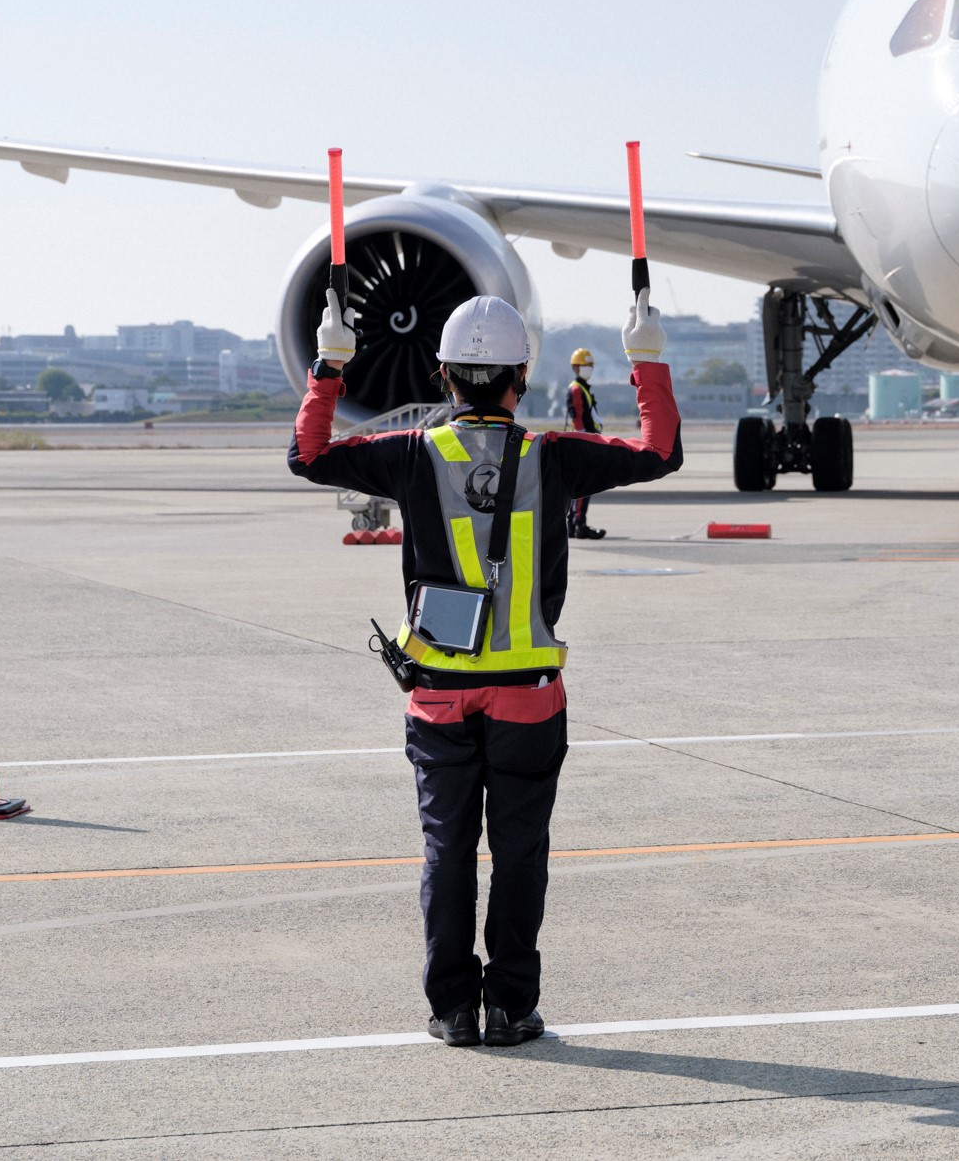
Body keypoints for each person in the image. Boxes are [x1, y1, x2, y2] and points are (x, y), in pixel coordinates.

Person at [288, 289, 679, 1048]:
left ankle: (451, 1009)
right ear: (521, 377)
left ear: (443, 374)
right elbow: (658, 452)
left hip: (438, 693)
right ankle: (510, 1006)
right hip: (531, 694)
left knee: (448, 852)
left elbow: (309, 456)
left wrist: (328, 365)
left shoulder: (411, 453)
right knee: (520, 852)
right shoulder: (554, 455)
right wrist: (647, 361)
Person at [563, 347, 605, 539]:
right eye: (584, 365)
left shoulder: (583, 389)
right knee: (583, 486)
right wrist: (586, 440)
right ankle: (579, 524)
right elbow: (578, 417)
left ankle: (574, 524)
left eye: (590, 366)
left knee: (580, 486)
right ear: (576, 368)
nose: (588, 369)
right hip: (584, 442)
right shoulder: (576, 389)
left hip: (587, 440)